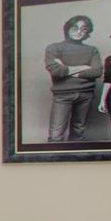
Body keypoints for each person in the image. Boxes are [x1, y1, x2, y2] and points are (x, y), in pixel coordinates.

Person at [43, 13, 101, 142]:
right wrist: (84, 67)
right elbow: (56, 71)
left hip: (86, 94)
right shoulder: (54, 47)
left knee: (78, 132)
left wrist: (67, 69)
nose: (79, 32)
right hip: (62, 95)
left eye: (84, 29)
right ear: (67, 28)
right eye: (75, 28)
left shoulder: (92, 50)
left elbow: (97, 72)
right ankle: (54, 160)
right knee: (56, 135)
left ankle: (75, 160)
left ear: (88, 32)